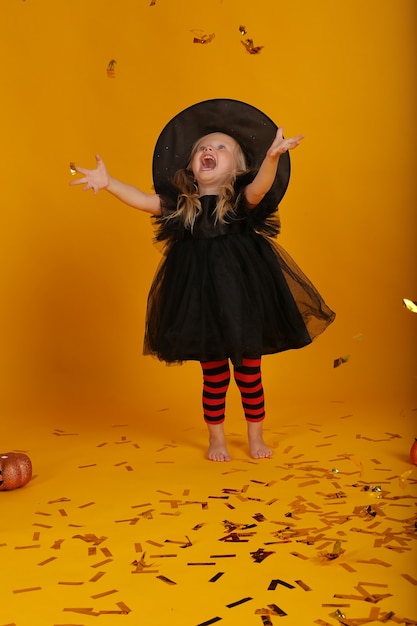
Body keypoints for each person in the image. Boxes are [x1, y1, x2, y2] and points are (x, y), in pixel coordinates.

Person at [71, 99, 335, 462]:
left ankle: (255, 434)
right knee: (213, 377)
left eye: (221, 147)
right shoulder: (183, 207)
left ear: (237, 167)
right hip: (202, 306)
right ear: (194, 167)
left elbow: (260, 187)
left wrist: (272, 157)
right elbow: (144, 200)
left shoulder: (240, 202)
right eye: (203, 148)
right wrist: (110, 182)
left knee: (249, 372)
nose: (209, 149)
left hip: (243, 300)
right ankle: (217, 440)